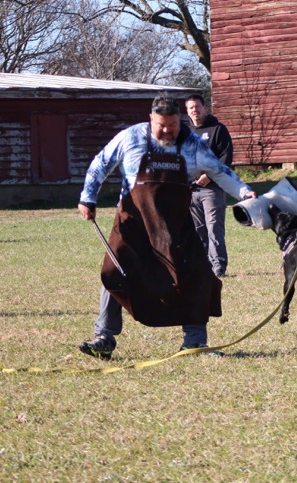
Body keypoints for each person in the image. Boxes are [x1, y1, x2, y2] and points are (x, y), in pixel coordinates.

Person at [77, 93, 257, 360]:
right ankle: (104, 338)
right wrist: (87, 197)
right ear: (151, 118)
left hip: (175, 226)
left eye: (171, 125)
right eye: (161, 125)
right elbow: (100, 164)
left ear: (179, 120)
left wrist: (244, 192)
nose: (166, 131)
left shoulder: (192, 144)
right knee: (114, 272)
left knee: (197, 274)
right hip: (133, 223)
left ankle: (195, 342)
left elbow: (220, 171)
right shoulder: (131, 138)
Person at [185, 94, 233, 278]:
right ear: (187, 111)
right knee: (197, 230)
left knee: (214, 227)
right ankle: (202, 265)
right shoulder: (185, 132)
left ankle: (218, 266)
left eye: (197, 106)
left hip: (212, 189)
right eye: (191, 108)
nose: (194, 110)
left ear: (204, 108)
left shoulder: (217, 129)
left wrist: (209, 176)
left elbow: (226, 158)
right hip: (191, 190)